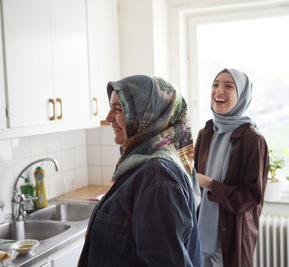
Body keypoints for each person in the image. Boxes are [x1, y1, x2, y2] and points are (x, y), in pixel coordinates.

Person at [78, 75, 203, 267]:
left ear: (150, 115)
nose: (109, 118)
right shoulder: (142, 164)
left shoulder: (158, 176)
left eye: (119, 109)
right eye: (111, 107)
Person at [194, 68, 269, 267]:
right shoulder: (205, 133)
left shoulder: (253, 140)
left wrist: (210, 184)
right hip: (200, 237)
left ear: (242, 95)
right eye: (215, 84)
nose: (219, 90)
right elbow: (193, 182)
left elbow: (251, 197)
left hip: (230, 240)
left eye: (229, 86)